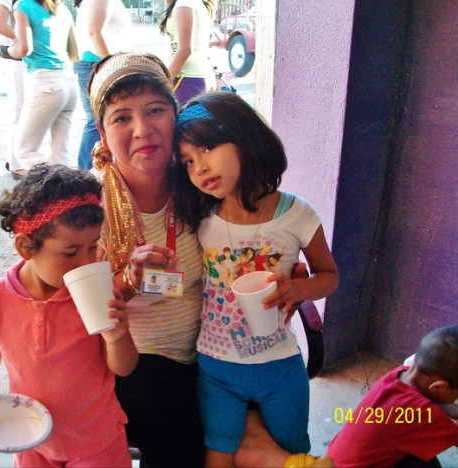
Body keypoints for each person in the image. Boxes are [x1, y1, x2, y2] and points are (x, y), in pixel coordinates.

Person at [172, 91, 340, 467]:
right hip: (216, 366)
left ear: (244, 137)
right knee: (219, 453)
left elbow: (329, 276)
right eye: (188, 161)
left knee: (292, 452)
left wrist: (298, 288)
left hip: (280, 366)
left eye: (208, 148)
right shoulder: (199, 218)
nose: (199, 168)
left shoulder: (297, 214)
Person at [0, 164, 138, 467]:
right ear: (26, 247)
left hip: (94, 439)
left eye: (93, 247)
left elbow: (123, 368)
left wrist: (116, 337)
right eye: (70, 252)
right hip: (30, 435)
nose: (86, 262)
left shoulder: (97, 291)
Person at [88, 51, 205, 467]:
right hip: (136, 363)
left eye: (155, 110)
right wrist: (127, 282)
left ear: (176, 116)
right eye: (122, 117)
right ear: (102, 134)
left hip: (212, 350)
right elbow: (75, 308)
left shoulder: (200, 182)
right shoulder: (89, 206)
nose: (142, 129)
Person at [326, 325, 458, 467]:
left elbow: (429, 401)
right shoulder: (420, 413)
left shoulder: (399, 376)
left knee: (423, 457)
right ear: (438, 387)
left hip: (334, 461)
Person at [7, 0, 79, 175]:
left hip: (47, 83)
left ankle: (57, 182)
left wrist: (10, 50)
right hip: (69, 82)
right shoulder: (62, 9)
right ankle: (69, 186)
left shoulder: (23, 6)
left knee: (24, 151)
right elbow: (75, 53)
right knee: (61, 155)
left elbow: (24, 49)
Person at [73, 0, 130, 170]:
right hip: (97, 64)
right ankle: (85, 174)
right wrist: (112, 67)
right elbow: (94, 32)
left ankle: (90, 173)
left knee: (99, 120)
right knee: (97, 121)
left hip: (94, 63)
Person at [159, 0, 216, 105]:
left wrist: (163, 82)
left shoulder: (184, 3)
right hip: (198, 77)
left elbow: (185, 50)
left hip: (186, 78)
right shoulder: (194, 3)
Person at [0, 0, 26, 179]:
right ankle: (17, 165)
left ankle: (14, 159)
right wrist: (26, 39)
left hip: (24, 58)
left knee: (24, 111)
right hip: (15, 60)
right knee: (19, 112)